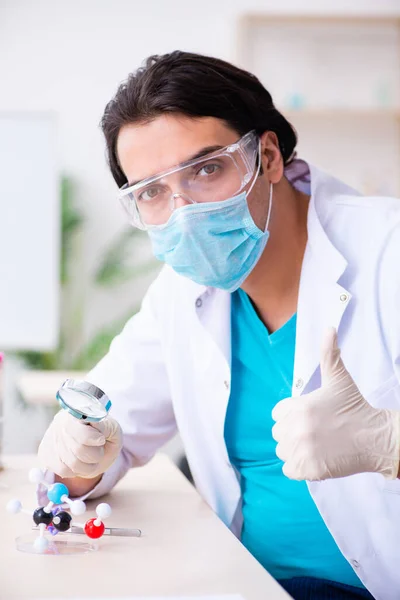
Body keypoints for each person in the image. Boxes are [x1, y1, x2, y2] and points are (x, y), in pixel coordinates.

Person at [38, 51, 400, 600]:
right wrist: (79, 457)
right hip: (245, 583)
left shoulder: (388, 251)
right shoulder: (181, 295)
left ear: (269, 156)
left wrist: (389, 443)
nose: (184, 210)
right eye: (152, 192)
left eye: (207, 168)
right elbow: (104, 430)